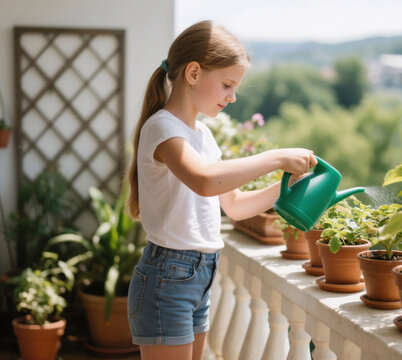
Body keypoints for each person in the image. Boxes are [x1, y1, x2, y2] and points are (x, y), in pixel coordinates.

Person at [125, 20, 316, 360]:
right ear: (194, 73)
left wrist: (286, 186)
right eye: (228, 84)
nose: (233, 96)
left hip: (199, 275)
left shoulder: (204, 136)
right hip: (168, 278)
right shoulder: (163, 128)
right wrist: (275, 157)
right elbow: (204, 180)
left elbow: (235, 206)